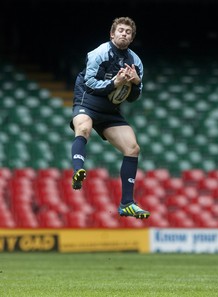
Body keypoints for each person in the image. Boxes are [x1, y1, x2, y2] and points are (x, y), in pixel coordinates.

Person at [69, 16, 150, 219]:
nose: (124, 33)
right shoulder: (99, 53)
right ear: (112, 33)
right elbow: (89, 84)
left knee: (133, 148)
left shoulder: (136, 61)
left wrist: (136, 82)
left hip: (110, 111)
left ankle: (127, 203)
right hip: (87, 103)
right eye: (120, 30)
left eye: (128, 32)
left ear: (132, 38)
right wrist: (115, 83)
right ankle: (78, 170)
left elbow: (133, 97)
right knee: (84, 129)